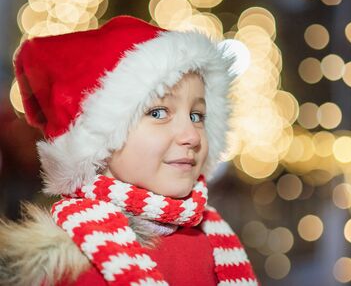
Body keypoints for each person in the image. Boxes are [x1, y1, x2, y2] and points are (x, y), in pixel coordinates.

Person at [0, 15, 258, 286]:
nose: (192, 135)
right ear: (101, 141)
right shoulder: (74, 266)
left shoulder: (216, 241)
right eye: (159, 112)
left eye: (197, 116)